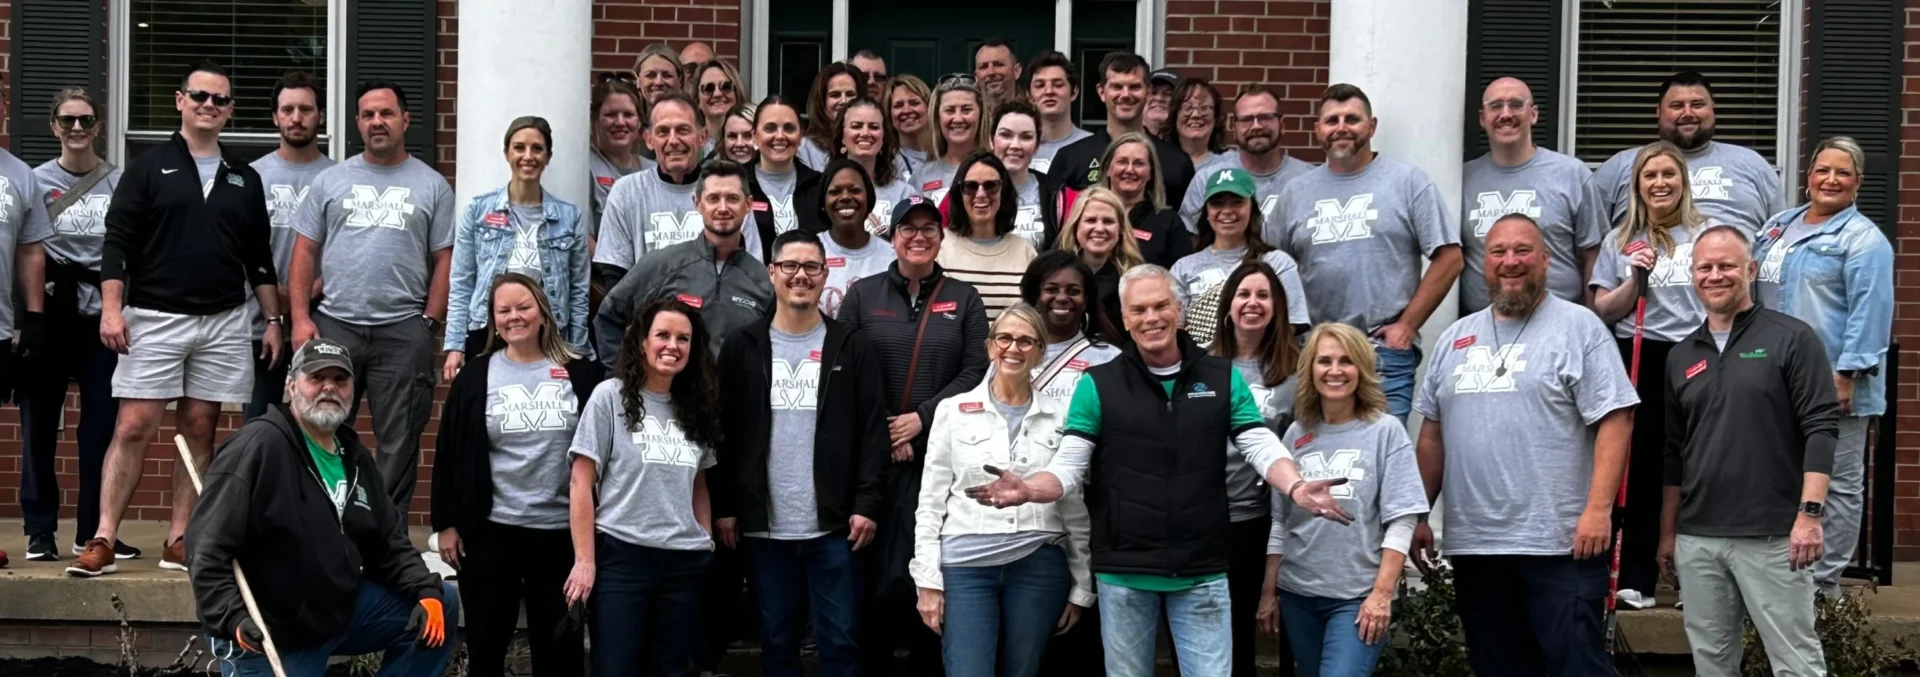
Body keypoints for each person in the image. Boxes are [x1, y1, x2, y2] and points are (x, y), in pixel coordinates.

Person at [962, 264, 1350, 677]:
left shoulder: (1221, 378)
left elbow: (1258, 442)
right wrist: (1028, 489)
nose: (1152, 318)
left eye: (1161, 306)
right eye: (1139, 309)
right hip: (1125, 572)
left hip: (1201, 570)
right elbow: (1068, 466)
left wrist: (1295, 486)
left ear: (1179, 310)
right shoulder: (1098, 384)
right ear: (1126, 320)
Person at [1410, 214, 1638, 676]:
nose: (1510, 262)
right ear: (1483, 264)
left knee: (1577, 666)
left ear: (1546, 260)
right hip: (1477, 546)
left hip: (1561, 544)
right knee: (1499, 668)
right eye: (1498, 252)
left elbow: (1617, 419)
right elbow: (1432, 433)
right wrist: (1417, 515)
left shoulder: (1580, 328)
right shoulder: (1455, 337)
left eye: (1522, 251)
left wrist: (1598, 510)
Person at [75, 61, 277, 577]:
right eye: (200, 96)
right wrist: (113, 308)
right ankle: (102, 537)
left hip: (224, 320)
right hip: (154, 317)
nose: (210, 105)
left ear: (230, 111)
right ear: (180, 100)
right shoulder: (148, 166)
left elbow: (258, 259)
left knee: (201, 428)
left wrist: (273, 319)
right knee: (134, 425)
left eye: (220, 100)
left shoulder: (244, 177)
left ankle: (180, 538)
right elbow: (117, 242)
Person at [189, 338, 456, 677]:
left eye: (340, 380)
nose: (329, 387)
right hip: (270, 633)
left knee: (442, 601)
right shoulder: (258, 447)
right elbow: (205, 549)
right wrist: (231, 617)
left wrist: (424, 589)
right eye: (316, 378)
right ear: (291, 384)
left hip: (339, 611)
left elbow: (388, 542)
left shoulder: (353, 455)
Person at [1659, 224, 1837, 676]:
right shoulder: (1681, 356)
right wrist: (1668, 533)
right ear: (1692, 275)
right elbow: (1673, 451)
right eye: (1705, 267)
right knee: (1712, 665)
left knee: (1796, 664)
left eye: (1727, 266)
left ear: (1751, 270)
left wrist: (1810, 515)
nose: (1715, 275)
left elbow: (1821, 427)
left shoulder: (1792, 338)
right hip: (1699, 538)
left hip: (1774, 536)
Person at [713, 229, 890, 677]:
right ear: (772, 273)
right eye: (789, 266)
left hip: (835, 525)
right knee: (776, 641)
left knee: (840, 640)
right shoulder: (743, 347)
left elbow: (873, 432)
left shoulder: (852, 346)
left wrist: (867, 504)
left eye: (811, 267)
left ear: (824, 274)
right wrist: (728, 507)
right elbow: (723, 433)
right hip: (765, 527)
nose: (800, 276)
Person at [837, 196, 990, 676]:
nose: (919, 237)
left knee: (927, 574)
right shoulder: (862, 294)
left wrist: (921, 418)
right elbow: (845, 366)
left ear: (942, 237)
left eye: (929, 228)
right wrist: (888, 426)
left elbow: (975, 369)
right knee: (873, 581)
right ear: (893, 236)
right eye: (908, 228)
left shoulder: (964, 298)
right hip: (872, 456)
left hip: (936, 455)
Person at [288, 80, 455, 513]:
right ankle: (322, 527)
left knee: (399, 442)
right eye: (367, 115)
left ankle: (385, 541)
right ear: (358, 123)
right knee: (318, 430)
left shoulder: (432, 185)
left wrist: (430, 323)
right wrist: (302, 318)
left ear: (405, 120)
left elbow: (445, 259)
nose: (376, 122)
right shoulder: (330, 181)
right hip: (335, 326)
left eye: (385, 113)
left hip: (402, 330)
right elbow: (305, 251)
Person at [431, 273, 603, 677]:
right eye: (503, 310)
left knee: (559, 652)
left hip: (561, 535)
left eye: (523, 307)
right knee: (487, 647)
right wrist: (446, 524)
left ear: (543, 311)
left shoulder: (582, 375)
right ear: (493, 319)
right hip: (491, 532)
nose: (514, 317)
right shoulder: (476, 375)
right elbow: (448, 452)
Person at [912, 303, 1091, 677]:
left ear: (1041, 351)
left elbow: (1072, 503)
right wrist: (928, 581)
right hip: (965, 567)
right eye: (1005, 338)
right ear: (990, 346)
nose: (1014, 348)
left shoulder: (1062, 415)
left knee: (1023, 671)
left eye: (1027, 341)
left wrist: (1081, 585)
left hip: (1039, 563)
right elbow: (930, 502)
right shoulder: (952, 409)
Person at [1753, 136, 1894, 595]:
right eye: (1822, 170)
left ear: (1858, 183)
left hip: (1833, 379)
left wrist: (1847, 374)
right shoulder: (1778, 225)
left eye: (1843, 173)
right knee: (1780, 472)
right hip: (1774, 375)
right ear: (1808, 176)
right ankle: (1781, 573)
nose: (1830, 179)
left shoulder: (1863, 240)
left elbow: (1871, 312)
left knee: (1837, 483)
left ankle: (1822, 583)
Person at [1273, 83, 1462, 422]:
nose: (1341, 128)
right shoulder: (1295, 194)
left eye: (1352, 119)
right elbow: (1271, 268)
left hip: (1382, 353)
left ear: (1371, 126)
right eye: (1332, 121)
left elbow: (1449, 258)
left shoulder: (1407, 182)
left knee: (1382, 458)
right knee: (1323, 457)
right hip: (1316, 352)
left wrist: (1407, 326)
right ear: (1317, 130)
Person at [565, 297, 724, 677]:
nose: (673, 345)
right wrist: (585, 561)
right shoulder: (610, 397)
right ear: (641, 342)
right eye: (663, 335)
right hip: (623, 557)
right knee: (615, 667)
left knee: (670, 670)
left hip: (682, 562)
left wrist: (704, 538)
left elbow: (698, 482)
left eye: (683, 339)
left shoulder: (697, 405)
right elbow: (580, 482)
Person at [1264, 322, 1426, 677]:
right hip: (1298, 595)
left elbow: (1401, 520)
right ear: (1310, 370)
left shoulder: (1385, 431)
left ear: (1361, 369)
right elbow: (1281, 521)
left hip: (1357, 597)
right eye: (1324, 361)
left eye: (1346, 361)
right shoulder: (1296, 432)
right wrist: (1268, 592)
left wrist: (1382, 595)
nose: (1335, 371)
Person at [1587, 141, 1705, 610]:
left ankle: (1695, 578)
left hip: (1697, 353)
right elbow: (1601, 310)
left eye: (1668, 175)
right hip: (1638, 352)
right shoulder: (1622, 240)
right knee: (1640, 466)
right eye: (1650, 175)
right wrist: (1634, 280)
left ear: (1683, 181)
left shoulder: (1706, 234)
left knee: (1697, 462)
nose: (1660, 183)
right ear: (1637, 185)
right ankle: (1635, 575)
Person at [20, 85, 119, 562]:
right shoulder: (33, 182)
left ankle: (93, 530)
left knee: (101, 426)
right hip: (51, 311)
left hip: (104, 316)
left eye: (85, 120)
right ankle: (40, 528)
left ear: (98, 126)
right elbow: (23, 250)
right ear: (53, 126)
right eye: (67, 120)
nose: (76, 128)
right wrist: (30, 317)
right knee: (39, 421)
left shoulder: (119, 183)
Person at [444, 116, 591, 383]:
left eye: (537, 148)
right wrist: (455, 344)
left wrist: (577, 346)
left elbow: (579, 290)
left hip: (549, 332)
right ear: (506, 153)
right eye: (519, 147)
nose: (528, 156)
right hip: (487, 331)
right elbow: (462, 282)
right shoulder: (479, 211)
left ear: (548, 156)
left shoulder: (570, 217)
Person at [1210, 262, 1303, 677]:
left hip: (1262, 521)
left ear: (1278, 307)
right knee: (1219, 637)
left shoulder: (1296, 373)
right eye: (1243, 294)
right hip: (1207, 518)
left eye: (1263, 295)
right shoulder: (1202, 366)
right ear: (1228, 305)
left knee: (1264, 625)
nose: (1252, 303)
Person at [595, 160, 772, 366]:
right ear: (697, 203)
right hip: (672, 396)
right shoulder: (663, 264)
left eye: (732, 198)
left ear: (748, 205)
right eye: (713, 198)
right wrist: (624, 379)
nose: (722, 208)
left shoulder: (762, 280)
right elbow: (608, 318)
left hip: (737, 397)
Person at [1583, 71, 1784, 237]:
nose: (1688, 113)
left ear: (1712, 109)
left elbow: (1779, 237)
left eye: (1697, 105)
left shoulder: (1753, 164)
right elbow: (1590, 244)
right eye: (1677, 106)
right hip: (1643, 282)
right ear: (1658, 112)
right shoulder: (1620, 167)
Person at [1461, 77, 1597, 315]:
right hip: (1485, 326)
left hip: (1560, 322)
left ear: (1533, 114)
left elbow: (1592, 256)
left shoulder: (1572, 174)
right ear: (1483, 118)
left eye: (1516, 105)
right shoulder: (1461, 179)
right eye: (1496, 106)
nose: (1506, 114)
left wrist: (1592, 318)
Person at [244, 72, 336, 420]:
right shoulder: (251, 177)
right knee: (259, 424)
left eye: (306, 109)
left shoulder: (338, 179)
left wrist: (307, 292)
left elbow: (347, 249)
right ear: (275, 117)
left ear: (320, 116)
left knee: (318, 423)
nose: (296, 118)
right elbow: (238, 249)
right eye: (287, 110)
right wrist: (275, 296)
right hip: (258, 323)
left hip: (320, 320)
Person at [1173, 169, 1308, 347]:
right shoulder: (1183, 268)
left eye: (1237, 203)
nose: (1227, 211)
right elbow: (1175, 330)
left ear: (1252, 209)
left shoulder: (1278, 263)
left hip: (1261, 367)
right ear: (1206, 211)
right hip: (1203, 370)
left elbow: (1292, 324)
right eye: (1217, 203)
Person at [593, 91, 713, 286]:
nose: (673, 141)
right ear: (649, 139)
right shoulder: (626, 192)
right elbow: (614, 274)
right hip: (645, 312)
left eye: (683, 130)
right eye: (663, 132)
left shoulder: (723, 192)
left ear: (703, 136)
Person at [1049, 53, 1196, 203]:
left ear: (1148, 91)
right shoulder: (1070, 158)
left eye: (1134, 87)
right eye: (1117, 87)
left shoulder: (1175, 161)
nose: (1125, 94)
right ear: (1101, 92)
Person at [1178, 87, 1313, 234]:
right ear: (1234, 128)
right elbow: (1190, 243)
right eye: (1246, 119)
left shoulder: (1308, 179)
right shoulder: (1208, 179)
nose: (1256, 126)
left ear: (1282, 125)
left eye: (1265, 117)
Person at [937, 151, 1038, 316]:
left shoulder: (1025, 251)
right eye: (971, 187)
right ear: (959, 193)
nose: (981, 195)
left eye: (991, 186)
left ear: (1003, 190)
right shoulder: (939, 246)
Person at [1023, 251, 1123, 403]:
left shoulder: (1110, 358)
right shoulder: (1013, 351)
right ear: (1035, 299)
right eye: (1051, 290)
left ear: (1085, 300)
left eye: (1073, 291)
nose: (1062, 298)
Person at [1092, 133, 1192, 268]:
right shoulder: (1087, 213)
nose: (1129, 170)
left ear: (1151, 172)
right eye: (1122, 161)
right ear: (1108, 168)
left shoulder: (1168, 222)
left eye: (1139, 163)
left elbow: (1181, 277)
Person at [810, 159, 893, 318]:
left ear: (869, 198)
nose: (845, 197)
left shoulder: (892, 256)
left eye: (855, 190)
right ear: (823, 201)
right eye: (835, 192)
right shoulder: (807, 253)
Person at [821, 97, 915, 234]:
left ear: (883, 138)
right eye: (856, 126)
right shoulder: (821, 191)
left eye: (874, 127)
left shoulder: (904, 194)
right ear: (841, 136)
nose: (865, 133)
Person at [1054, 187, 1146, 326]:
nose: (1099, 228)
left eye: (1108, 221)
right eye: (1090, 220)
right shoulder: (1052, 273)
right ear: (1075, 226)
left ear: (1120, 229)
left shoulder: (1137, 280)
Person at [989, 101, 1071, 249]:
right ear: (991, 140)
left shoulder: (1058, 194)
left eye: (1026, 137)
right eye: (1006, 135)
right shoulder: (970, 188)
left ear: (1037, 145)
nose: (1015, 145)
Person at [744, 96, 815, 259]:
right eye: (770, 128)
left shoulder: (819, 186)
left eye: (789, 128)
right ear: (754, 136)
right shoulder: (737, 184)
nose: (780, 136)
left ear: (800, 135)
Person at [909, 78, 988, 206]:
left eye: (966, 109)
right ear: (937, 117)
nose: (958, 118)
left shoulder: (998, 170)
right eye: (949, 110)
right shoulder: (921, 177)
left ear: (981, 115)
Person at [588, 78, 649, 240]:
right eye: (610, 115)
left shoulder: (653, 170)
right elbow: (583, 238)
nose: (620, 122)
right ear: (595, 121)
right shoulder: (586, 169)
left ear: (639, 123)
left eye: (628, 114)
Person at [1025, 50, 1091, 176]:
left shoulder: (1093, 146)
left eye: (1058, 85)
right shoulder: (1019, 149)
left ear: (1074, 92)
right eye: (1040, 85)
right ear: (1029, 96)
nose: (1049, 91)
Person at [799, 63, 867, 172]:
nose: (844, 101)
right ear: (822, 102)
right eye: (835, 95)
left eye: (850, 94)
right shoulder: (805, 149)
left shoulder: (873, 141)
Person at [1162, 77, 1226, 170]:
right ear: (1175, 116)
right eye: (1187, 108)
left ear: (1215, 117)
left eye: (1204, 108)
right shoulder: (1159, 162)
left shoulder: (1229, 164)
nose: (1195, 115)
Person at [694, 60, 747, 155]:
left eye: (725, 86)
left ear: (737, 93)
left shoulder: (752, 142)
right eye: (708, 88)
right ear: (697, 100)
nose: (717, 94)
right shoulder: (692, 146)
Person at [888, 75, 937, 174]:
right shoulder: (887, 164)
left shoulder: (947, 155)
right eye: (898, 105)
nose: (906, 110)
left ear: (929, 107)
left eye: (914, 103)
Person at [974, 38, 1024, 109]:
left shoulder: (1033, 115)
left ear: (1017, 71)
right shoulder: (968, 116)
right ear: (976, 76)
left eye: (998, 64)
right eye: (984, 67)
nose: (991, 72)